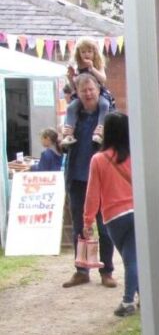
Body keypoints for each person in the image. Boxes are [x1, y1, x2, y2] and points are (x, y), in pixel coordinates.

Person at [62, 72, 116, 290]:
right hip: (77, 177)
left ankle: (107, 271)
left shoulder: (109, 116)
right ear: (79, 93)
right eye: (83, 90)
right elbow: (62, 145)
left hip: (102, 180)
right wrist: (61, 140)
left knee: (105, 228)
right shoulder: (72, 116)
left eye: (91, 89)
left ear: (97, 89)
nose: (88, 93)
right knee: (79, 228)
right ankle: (82, 270)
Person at [83, 111, 138, 317]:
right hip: (137, 212)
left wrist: (88, 220)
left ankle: (127, 302)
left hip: (115, 217)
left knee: (130, 258)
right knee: (133, 257)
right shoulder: (135, 156)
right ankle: (140, 296)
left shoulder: (98, 159)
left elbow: (92, 194)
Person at [61, 39, 115, 147]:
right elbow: (74, 88)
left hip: (100, 94)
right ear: (79, 53)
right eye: (83, 52)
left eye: (89, 52)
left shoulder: (97, 64)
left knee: (104, 104)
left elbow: (103, 79)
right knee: (71, 107)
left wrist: (92, 68)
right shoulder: (77, 66)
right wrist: (70, 78)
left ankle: (100, 130)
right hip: (80, 95)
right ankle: (69, 133)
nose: (86, 54)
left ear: (94, 53)